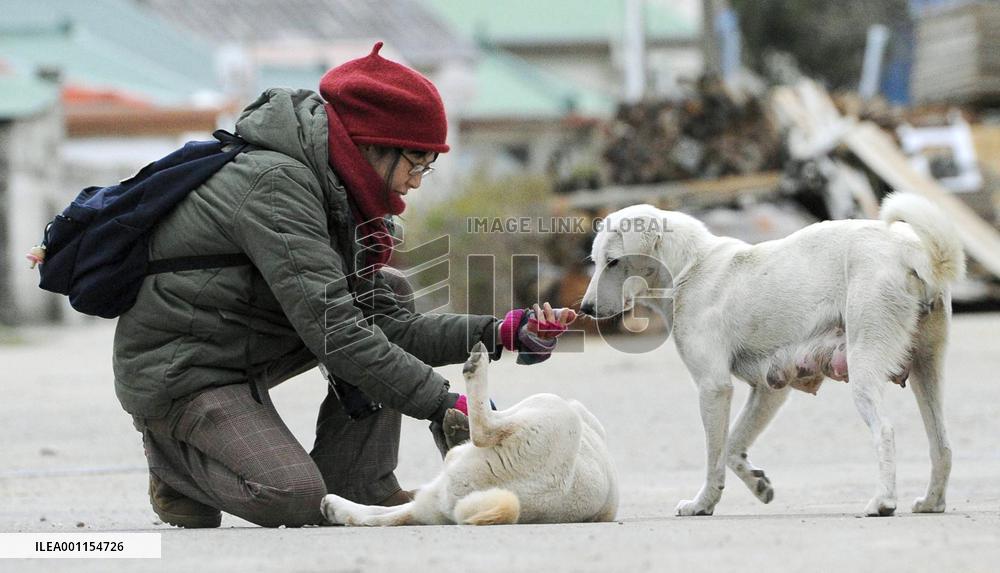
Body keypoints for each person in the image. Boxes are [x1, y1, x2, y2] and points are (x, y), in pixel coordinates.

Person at [116, 42, 576, 528]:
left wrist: (502, 331)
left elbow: (390, 330)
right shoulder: (276, 186)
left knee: (387, 294)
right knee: (290, 497)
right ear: (371, 145)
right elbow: (337, 334)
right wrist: (442, 403)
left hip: (243, 349)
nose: (418, 181)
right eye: (414, 163)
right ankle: (173, 461)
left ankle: (359, 480)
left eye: (427, 166)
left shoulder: (341, 194)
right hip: (183, 369)